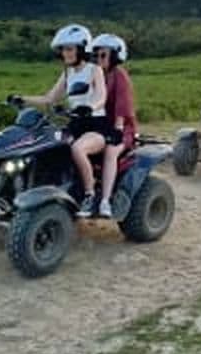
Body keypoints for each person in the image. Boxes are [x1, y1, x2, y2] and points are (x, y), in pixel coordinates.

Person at [17, 24, 109, 218]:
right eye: (63, 49)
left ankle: (90, 196)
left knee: (77, 149)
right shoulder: (68, 73)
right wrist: (23, 99)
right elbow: (49, 98)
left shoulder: (95, 70)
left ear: (81, 49)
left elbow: (101, 96)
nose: (65, 54)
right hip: (74, 124)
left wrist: (90, 107)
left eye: (69, 49)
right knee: (47, 145)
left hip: (97, 127)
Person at [89, 33, 138, 218]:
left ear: (116, 56)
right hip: (97, 124)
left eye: (103, 55)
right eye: (96, 55)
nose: (98, 59)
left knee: (110, 150)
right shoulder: (95, 74)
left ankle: (105, 201)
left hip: (122, 127)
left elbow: (122, 108)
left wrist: (116, 131)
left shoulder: (119, 76)